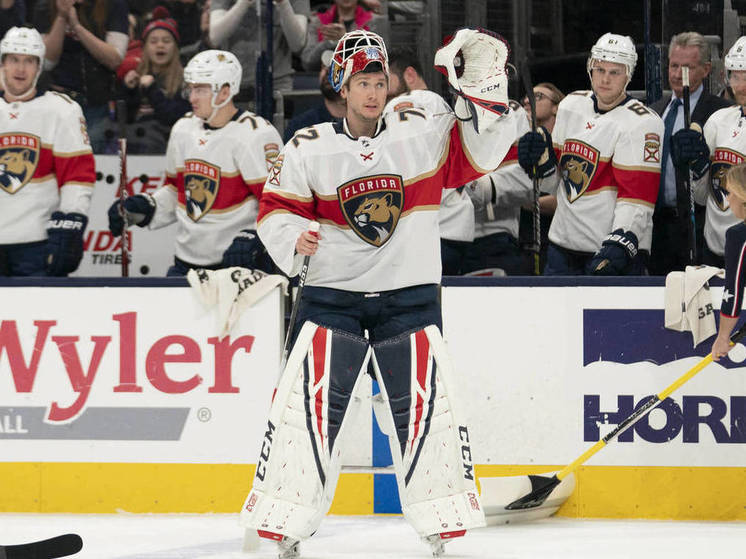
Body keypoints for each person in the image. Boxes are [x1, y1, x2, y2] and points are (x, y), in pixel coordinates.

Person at [240, 28, 519, 557]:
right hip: (331, 298)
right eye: (362, 83)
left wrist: (481, 98)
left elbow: (477, 156)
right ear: (342, 88)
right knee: (306, 411)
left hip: (408, 295)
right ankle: (286, 522)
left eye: (379, 81)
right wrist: (293, 237)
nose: (372, 92)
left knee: (427, 411)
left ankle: (440, 520)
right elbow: (275, 210)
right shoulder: (307, 146)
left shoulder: (421, 125)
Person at [107, 50, 283, 276]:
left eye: (200, 89)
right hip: (185, 264)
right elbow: (178, 192)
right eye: (190, 89)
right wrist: (147, 206)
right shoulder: (183, 128)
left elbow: (279, 204)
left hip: (239, 267)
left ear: (225, 92)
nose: (191, 98)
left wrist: (254, 237)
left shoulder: (256, 134)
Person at [518, 32, 664, 276]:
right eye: (600, 69)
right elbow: (556, 183)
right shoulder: (571, 105)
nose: (605, 79)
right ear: (590, 68)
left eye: (614, 72)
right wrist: (539, 164)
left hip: (609, 249)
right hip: (562, 248)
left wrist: (621, 240)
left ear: (628, 74)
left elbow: (637, 198)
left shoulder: (643, 122)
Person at [0, 27, 95, 276]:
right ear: (3, 63)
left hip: (37, 243)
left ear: (39, 66)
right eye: (14, 60)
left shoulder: (62, 110)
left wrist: (71, 221)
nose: (20, 69)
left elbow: (77, 177)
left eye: (29, 61)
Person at [384, 46, 475, 275]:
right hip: (453, 226)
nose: (379, 90)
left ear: (410, 75)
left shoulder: (411, 101)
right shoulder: (439, 105)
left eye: (384, 81)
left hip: (432, 230)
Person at [650, 31, 733, 275]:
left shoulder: (722, 114)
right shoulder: (654, 111)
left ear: (706, 69)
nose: (677, 74)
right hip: (657, 229)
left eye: (687, 67)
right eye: (674, 66)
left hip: (698, 229)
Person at [677, 37, 746, 270]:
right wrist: (697, 168)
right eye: (736, 76)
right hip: (713, 254)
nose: (741, 86)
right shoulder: (719, 120)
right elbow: (700, 197)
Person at [34, 0, 129, 154]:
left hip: (96, 105)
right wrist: (61, 17)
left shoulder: (114, 4)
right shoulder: (45, 5)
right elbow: (47, 62)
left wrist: (77, 27)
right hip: (58, 102)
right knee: (57, 159)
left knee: (91, 161)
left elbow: (115, 59)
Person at [119, 7, 191, 153]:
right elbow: (124, 119)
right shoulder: (136, 75)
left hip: (165, 145)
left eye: (166, 41)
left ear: (175, 47)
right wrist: (128, 90)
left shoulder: (185, 79)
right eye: (153, 41)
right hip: (135, 140)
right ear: (145, 48)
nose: (160, 45)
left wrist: (152, 90)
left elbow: (174, 118)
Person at [209, 0, 309, 98]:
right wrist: (243, 3)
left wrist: (283, 3)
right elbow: (215, 37)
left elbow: (297, 45)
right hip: (234, 83)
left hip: (277, 84)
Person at [711, 162, 746, 361]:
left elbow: (733, 291)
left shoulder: (739, 236)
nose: (728, 198)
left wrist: (723, 337)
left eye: (731, 193)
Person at [301, 0, 386, 71]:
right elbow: (307, 63)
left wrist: (346, 41)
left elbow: (379, 63)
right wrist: (330, 42)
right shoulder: (317, 22)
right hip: (324, 81)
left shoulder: (374, 21)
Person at [282, 49, 345, 143]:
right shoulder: (300, 127)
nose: (327, 71)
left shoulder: (364, 125)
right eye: (323, 67)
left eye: (337, 67)